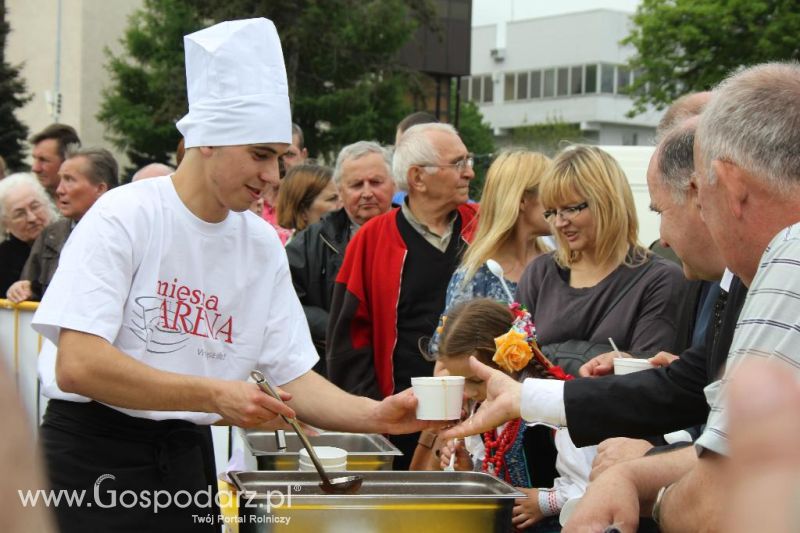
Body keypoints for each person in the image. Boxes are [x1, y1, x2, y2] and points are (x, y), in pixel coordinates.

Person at [31, 19, 431, 532]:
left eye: (281, 158)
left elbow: (290, 374)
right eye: (260, 155)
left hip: (184, 461)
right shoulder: (125, 215)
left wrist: (377, 415)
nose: (273, 176)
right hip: (89, 455)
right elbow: (79, 365)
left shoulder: (260, 242)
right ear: (208, 142)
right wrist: (215, 394)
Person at [560, 62, 800, 533]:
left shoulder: (789, 258)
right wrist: (633, 473)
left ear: (729, 186)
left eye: (700, 196)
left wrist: (651, 496)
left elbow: (719, 502)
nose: (698, 219)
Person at [327, 121, 478, 468]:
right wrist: (373, 419)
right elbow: (349, 344)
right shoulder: (372, 240)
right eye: (457, 163)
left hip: (479, 422)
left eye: (468, 162)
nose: (468, 173)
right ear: (418, 178)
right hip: (400, 421)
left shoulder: (484, 227)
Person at [518, 145, 685, 376]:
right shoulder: (540, 274)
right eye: (552, 212)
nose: (559, 223)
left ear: (606, 201)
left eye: (570, 209)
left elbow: (648, 378)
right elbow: (517, 367)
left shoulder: (659, 279)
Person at [437, 298, 593, 532]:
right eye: (461, 382)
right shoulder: (482, 404)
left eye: (476, 380)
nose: (468, 392)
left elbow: (589, 485)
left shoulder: (554, 408)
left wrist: (543, 502)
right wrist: (468, 467)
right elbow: (491, 468)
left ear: (509, 361)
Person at [429, 149, 552, 355]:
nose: (561, 202)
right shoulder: (476, 276)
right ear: (522, 200)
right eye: (551, 192)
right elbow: (445, 361)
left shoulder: (561, 265)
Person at [286, 140, 395, 371]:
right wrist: (335, 327)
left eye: (376, 182)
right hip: (336, 370)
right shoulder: (312, 241)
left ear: (394, 184)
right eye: (356, 185)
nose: (367, 193)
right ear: (340, 191)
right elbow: (283, 300)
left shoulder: (414, 233)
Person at [6, 147, 116, 303]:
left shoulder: (127, 233)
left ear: (100, 188)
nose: (59, 190)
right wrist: (23, 290)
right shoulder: (51, 234)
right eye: (61, 180)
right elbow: (28, 293)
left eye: (69, 180)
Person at [0, 173, 57, 295]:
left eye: (35, 207)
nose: (31, 218)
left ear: (47, 205)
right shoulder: (3, 261)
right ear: (5, 224)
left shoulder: (69, 238)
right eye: (20, 214)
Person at [276, 164, 341, 235]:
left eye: (342, 196)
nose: (342, 204)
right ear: (303, 211)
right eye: (332, 199)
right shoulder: (296, 245)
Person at [29, 124, 81, 199]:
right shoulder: (33, 204)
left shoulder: (94, 204)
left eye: (43, 160)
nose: (35, 168)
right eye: (34, 159)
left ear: (67, 161)